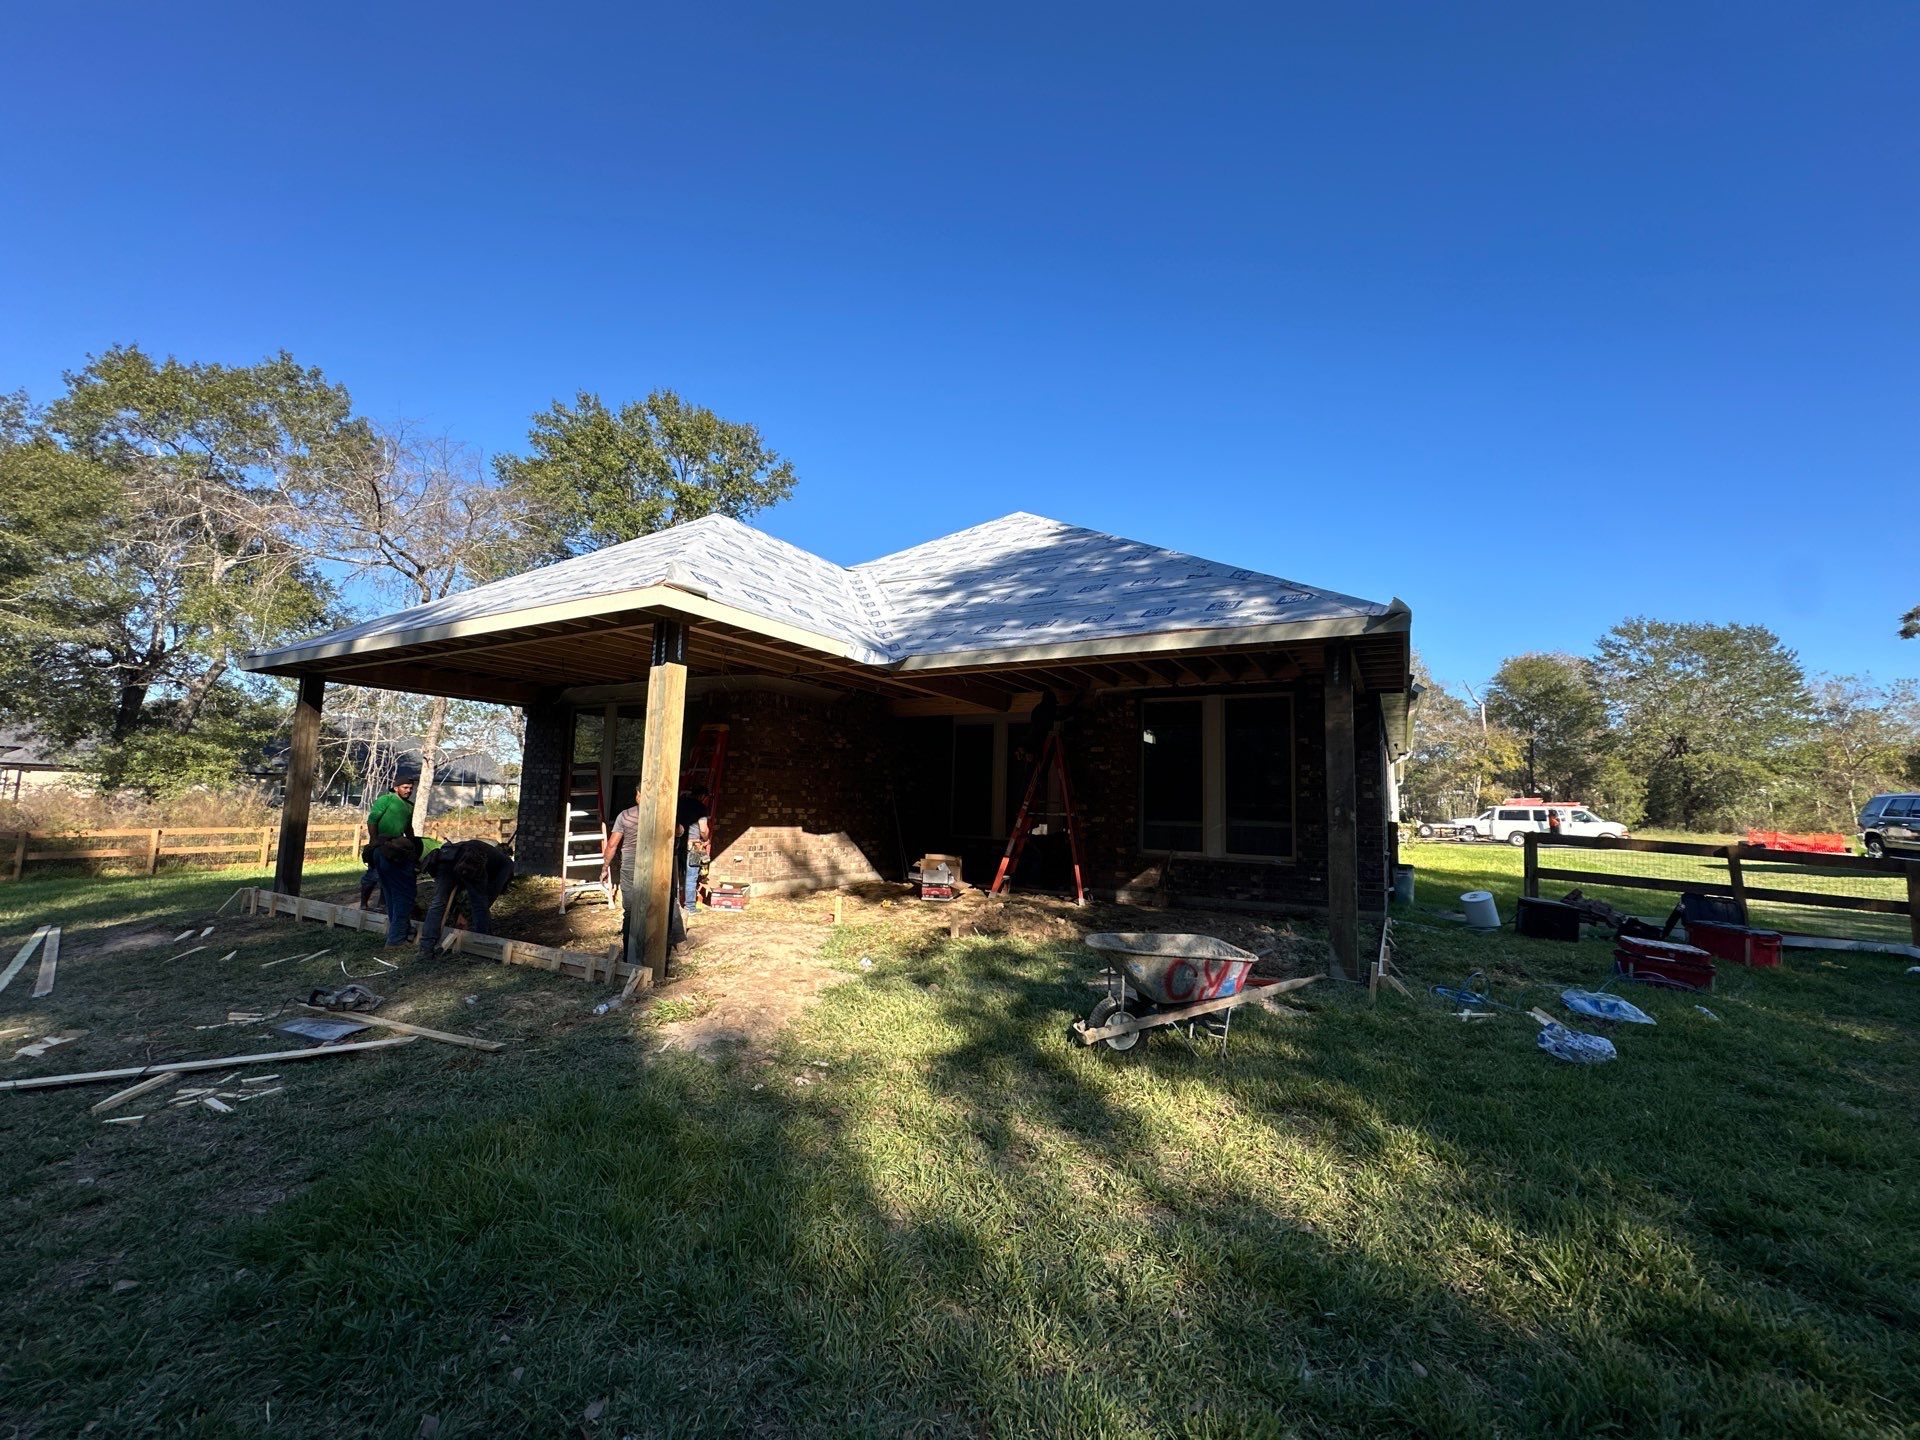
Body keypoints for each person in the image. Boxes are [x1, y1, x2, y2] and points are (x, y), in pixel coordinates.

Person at [418, 838, 515, 955]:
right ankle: (482, 946)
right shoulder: (506, 864)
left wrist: (463, 915)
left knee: (438, 902)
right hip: (469, 860)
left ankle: (426, 946)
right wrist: (467, 915)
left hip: (447, 858)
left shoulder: (490, 855)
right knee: (480, 904)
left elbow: (459, 889)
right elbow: (488, 897)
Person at [363, 775, 419, 947]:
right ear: (396, 787)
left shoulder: (409, 806)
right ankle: (396, 940)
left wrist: (415, 845)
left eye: (410, 788)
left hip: (399, 846)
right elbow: (372, 820)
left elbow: (408, 828)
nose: (408, 791)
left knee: (392, 893)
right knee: (403, 894)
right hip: (385, 848)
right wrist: (374, 841)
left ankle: (404, 929)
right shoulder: (385, 800)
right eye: (405, 787)